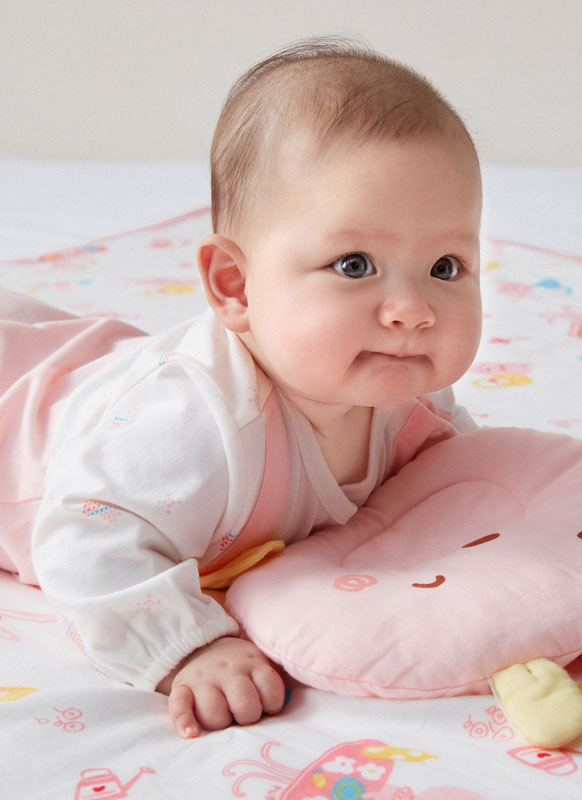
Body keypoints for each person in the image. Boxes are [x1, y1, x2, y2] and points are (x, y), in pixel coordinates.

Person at [0, 38, 483, 739]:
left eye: (445, 267)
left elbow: (475, 489)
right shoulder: (194, 427)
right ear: (236, 286)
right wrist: (190, 646)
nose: (413, 310)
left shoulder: (414, 405)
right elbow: (82, 540)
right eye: (355, 264)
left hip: (91, 365)